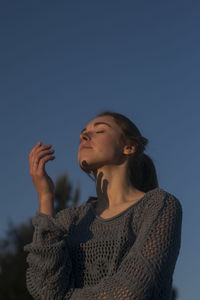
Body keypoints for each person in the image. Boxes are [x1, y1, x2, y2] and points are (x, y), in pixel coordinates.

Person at [24, 111, 182, 300]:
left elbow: (131, 291)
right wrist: (45, 197)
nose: (82, 136)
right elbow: (45, 291)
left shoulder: (158, 206)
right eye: (83, 132)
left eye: (99, 131)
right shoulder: (70, 220)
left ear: (129, 147)